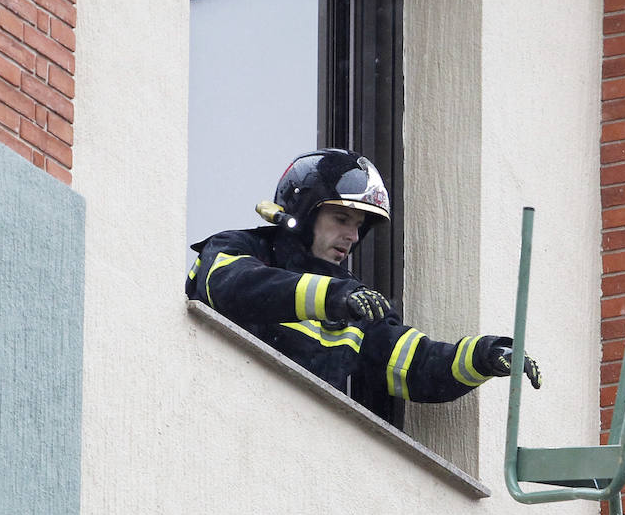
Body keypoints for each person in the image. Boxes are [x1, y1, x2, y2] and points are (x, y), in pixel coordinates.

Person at [187, 149, 541, 418]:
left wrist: (484, 357)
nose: (352, 236)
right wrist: (333, 296)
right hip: (216, 413)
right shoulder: (239, 249)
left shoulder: (358, 304)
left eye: (359, 226)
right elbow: (229, 286)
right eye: (341, 219)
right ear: (304, 213)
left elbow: (416, 365)